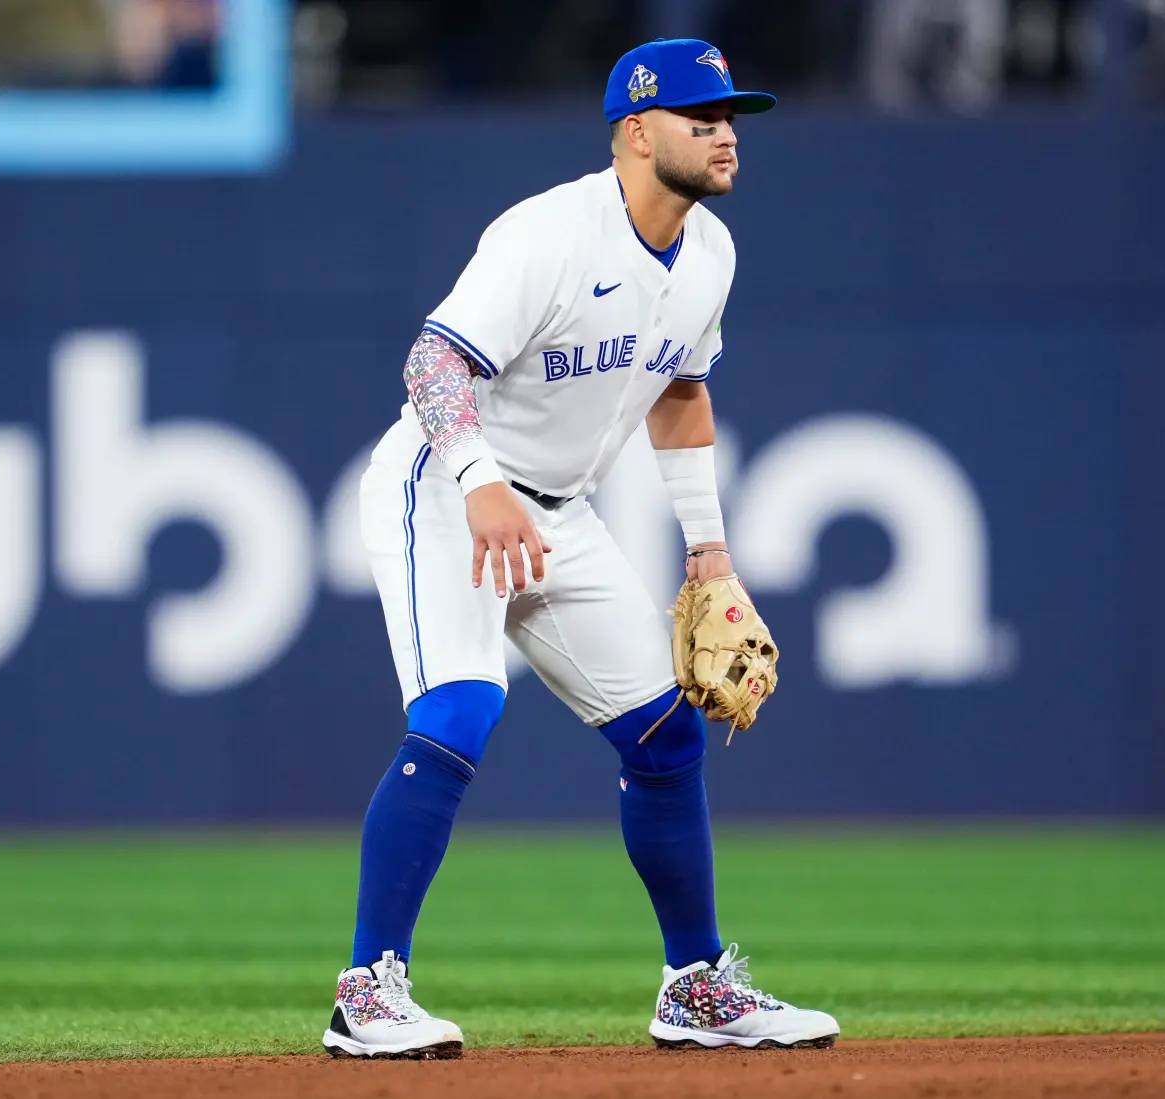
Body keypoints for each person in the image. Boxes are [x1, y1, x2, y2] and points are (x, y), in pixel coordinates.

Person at [323, 37, 840, 1060]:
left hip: (556, 510)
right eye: (705, 119)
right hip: (445, 485)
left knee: (667, 736)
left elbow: (683, 394)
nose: (727, 135)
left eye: (732, 117)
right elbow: (434, 359)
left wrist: (709, 553)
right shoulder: (551, 234)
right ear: (638, 131)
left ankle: (693, 987)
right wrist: (479, 484)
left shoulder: (710, 255)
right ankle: (366, 992)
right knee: (461, 710)